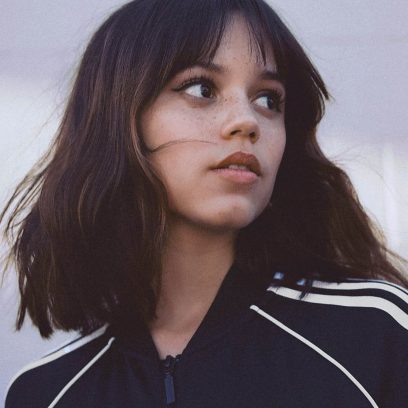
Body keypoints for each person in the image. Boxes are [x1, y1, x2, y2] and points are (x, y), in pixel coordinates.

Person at [2, 0, 407, 407]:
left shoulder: (378, 336)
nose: (247, 121)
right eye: (202, 89)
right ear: (122, 117)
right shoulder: (44, 394)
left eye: (268, 99)